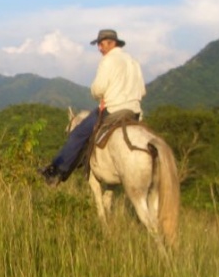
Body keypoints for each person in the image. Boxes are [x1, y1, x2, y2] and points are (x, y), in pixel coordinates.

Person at [39, 29, 146, 186]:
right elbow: (142, 90)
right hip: (135, 111)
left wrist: (98, 95)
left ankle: (56, 172)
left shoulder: (108, 60)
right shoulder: (133, 61)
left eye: (102, 45)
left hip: (113, 109)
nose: (100, 49)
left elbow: (98, 88)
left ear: (111, 43)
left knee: (78, 134)